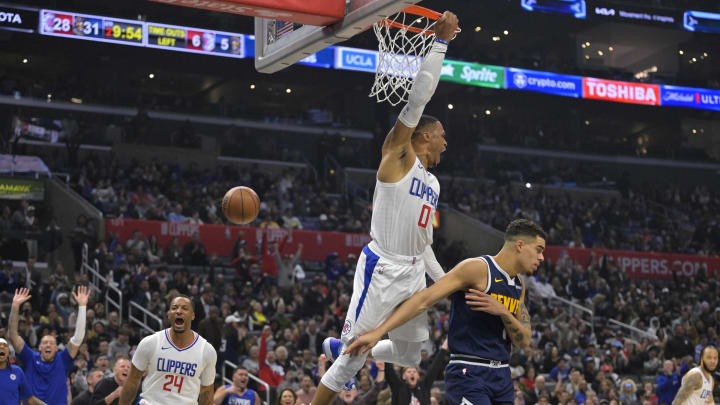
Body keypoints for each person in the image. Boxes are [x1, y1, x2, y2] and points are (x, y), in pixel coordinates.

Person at [311, 11, 459, 405]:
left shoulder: (433, 181)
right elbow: (419, 96)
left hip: (413, 271)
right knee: (351, 360)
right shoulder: (399, 156)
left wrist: (443, 282)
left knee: (411, 354)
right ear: (425, 135)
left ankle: (338, 344)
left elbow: (423, 241)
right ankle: (338, 355)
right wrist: (440, 43)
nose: (447, 142)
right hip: (383, 267)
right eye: (442, 136)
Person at [345, 219, 545, 405]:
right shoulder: (477, 269)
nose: (542, 257)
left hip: (502, 374)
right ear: (520, 245)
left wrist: (503, 311)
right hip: (469, 370)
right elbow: (424, 300)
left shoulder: (519, 285)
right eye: (538, 249)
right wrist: (379, 332)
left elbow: (524, 340)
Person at [119, 295, 217, 405]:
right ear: (169, 315)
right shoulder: (150, 343)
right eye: (174, 308)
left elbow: (206, 392)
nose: (179, 311)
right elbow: (132, 381)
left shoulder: (207, 351)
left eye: (184, 308)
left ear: (193, 315)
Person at [8, 287, 91, 405]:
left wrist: (82, 307)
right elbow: (12, 334)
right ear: (39, 347)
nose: (48, 345)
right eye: (45, 343)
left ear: (57, 348)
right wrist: (15, 306)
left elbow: (78, 338)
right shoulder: (30, 357)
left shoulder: (63, 359)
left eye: (52, 343)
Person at [385, 338, 449, 405]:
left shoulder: (424, 386)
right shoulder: (398, 387)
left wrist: (443, 349)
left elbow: (434, 368)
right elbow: (389, 372)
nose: (412, 373)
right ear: (403, 376)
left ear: (418, 376)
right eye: (409, 372)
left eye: (414, 372)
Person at [0, 337, 46, 405]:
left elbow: (30, 399)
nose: (2, 347)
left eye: (5, 345)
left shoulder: (17, 371)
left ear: (8, 352)